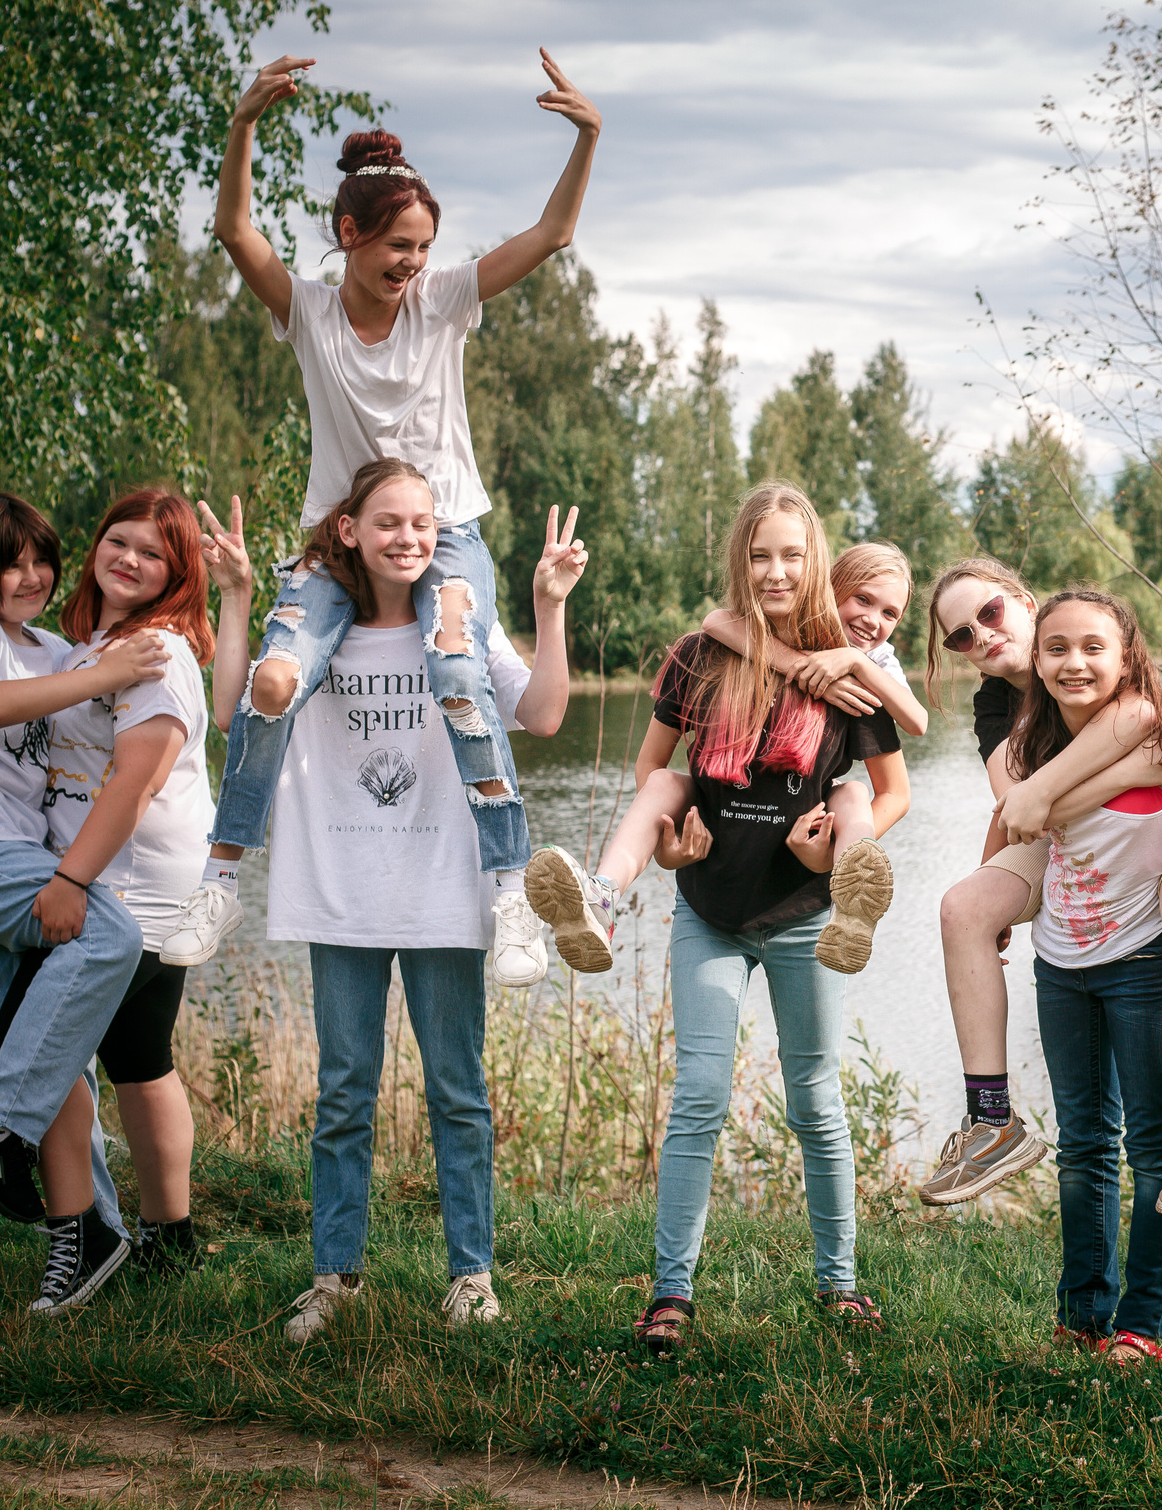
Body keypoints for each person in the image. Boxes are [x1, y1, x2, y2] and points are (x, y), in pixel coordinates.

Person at [175, 47, 602, 982]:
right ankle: (219, 877)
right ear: (350, 235)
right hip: (336, 542)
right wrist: (243, 124)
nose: (412, 262)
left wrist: (588, 137)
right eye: (396, 246)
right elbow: (236, 231)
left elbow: (552, 236)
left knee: (455, 662)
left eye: (421, 246)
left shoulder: (445, 301)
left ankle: (508, 888)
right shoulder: (311, 314)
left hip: (440, 534)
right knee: (278, 681)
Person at [535, 485, 904, 1356]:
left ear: (814, 560)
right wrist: (668, 848)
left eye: (791, 555)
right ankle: (670, 1291)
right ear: (739, 560)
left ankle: (839, 1284)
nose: (775, 571)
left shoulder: (845, 664)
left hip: (806, 914)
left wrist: (836, 847)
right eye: (759, 554)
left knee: (816, 1101)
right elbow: (651, 768)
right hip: (709, 905)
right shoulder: (699, 658)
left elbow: (894, 790)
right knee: (698, 1096)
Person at [264, 461, 585, 1343]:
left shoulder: (460, 627)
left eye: (423, 522)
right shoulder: (318, 645)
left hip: (447, 893)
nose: (409, 537)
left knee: (458, 1091)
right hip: (344, 896)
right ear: (349, 531)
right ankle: (335, 1277)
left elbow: (548, 714)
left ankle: (471, 1275)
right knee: (343, 1092)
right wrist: (232, 601)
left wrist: (548, 605)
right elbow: (237, 711)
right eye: (389, 522)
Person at [0, 487, 250, 1312]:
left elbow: (135, 781)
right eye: (119, 540)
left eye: (154, 552)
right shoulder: (95, 644)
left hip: (127, 888)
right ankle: (170, 1240)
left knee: (38, 1035)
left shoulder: (156, 650)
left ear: (177, 574)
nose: (131, 558)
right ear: (96, 545)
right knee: (141, 1059)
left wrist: (68, 880)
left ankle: (82, 1237)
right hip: (141, 883)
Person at [910, 559, 1162, 1209]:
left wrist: (1086, 781)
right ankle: (991, 1117)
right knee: (963, 907)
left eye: (991, 612)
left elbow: (1137, 722)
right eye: (962, 636)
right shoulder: (996, 706)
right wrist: (997, 866)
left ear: (1026, 600)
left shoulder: (1096, 656)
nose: (983, 633)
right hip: (1072, 842)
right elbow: (1022, 808)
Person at [0, 493, 165, 1261]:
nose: (31, 575)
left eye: (41, 558)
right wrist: (100, 673)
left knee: (50, 1036)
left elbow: (112, 693)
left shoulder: (48, 646)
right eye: (8, 562)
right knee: (105, 929)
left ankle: (91, 1236)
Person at [1001, 590, 1162, 1363]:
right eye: (1056, 648)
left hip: (1145, 962)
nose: (1074, 662)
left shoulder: (1159, 733)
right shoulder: (1029, 746)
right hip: (1062, 962)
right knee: (1082, 1146)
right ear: (1036, 660)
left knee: (1154, 1149)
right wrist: (996, 906)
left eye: (1092, 648)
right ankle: (1082, 1313)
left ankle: (1142, 1325)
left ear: (1125, 655)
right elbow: (1012, 821)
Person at [524, 542, 923, 975]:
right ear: (827, 587)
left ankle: (850, 905)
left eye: (891, 613)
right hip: (711, 900)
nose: (873, 619)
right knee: (662, 783)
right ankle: (601, 896)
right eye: (863, 599)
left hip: (803, 902)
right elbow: (715, 621)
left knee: (854, 792)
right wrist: (670, 844)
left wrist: (825, 857)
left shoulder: (866, 674)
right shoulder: (719, 649)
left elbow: (904, 768)